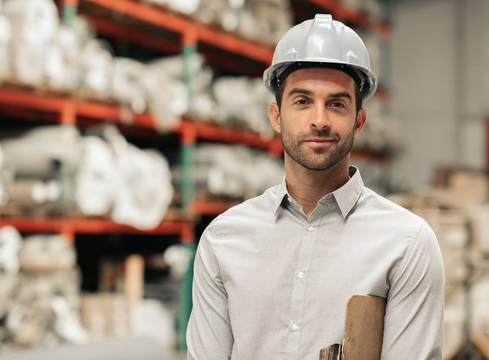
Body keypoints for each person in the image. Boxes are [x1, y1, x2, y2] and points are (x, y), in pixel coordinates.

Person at [186, 14, 444, 360]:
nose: (319, 120)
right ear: (276, 116)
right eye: (302, 101)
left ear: (359, 120)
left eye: (336, 103)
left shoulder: (407, 244)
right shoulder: (224, 239)